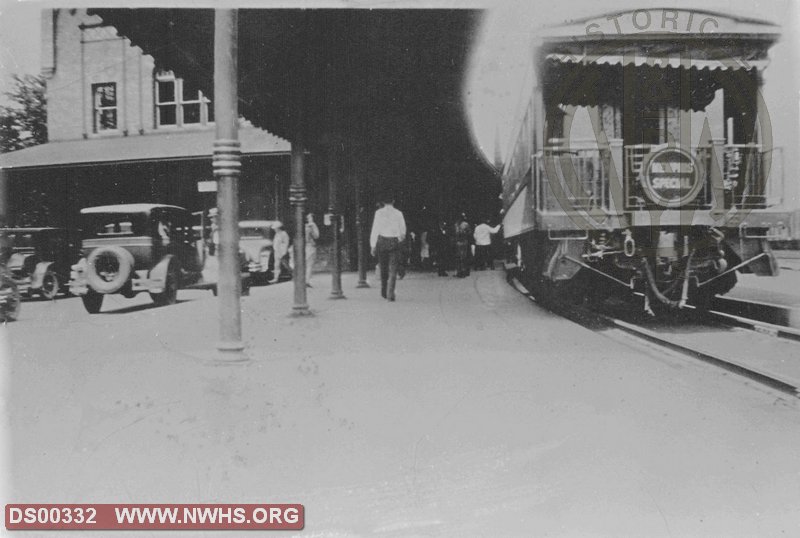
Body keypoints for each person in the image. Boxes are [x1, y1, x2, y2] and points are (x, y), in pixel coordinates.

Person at [369, 194, 406, 301]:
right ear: (393, 201)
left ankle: (383, 290)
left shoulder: (378, 213)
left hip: (382, 241)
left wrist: (373, 245)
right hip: (394, 241)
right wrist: (398, 239)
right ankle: (391, 293)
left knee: (383, 267)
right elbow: (403, 231)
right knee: (393, 268)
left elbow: (375, 229)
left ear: (383, 202)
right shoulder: (399, 213)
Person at [453, 213, 472, 278]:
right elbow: (469, 232)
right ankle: (464, 271)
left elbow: (454, 234)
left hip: (458, 242)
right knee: (463, 257)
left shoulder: (456, 225)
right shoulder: (465, 224)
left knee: (459, 257)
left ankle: (459, 271)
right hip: (464, 241)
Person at [305, 213, 319, 287]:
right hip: (310, 246)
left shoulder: (303, 226)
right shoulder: (312, 225)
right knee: (309, 264)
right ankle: (307, 280)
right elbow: (316, 236)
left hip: (303, 246)